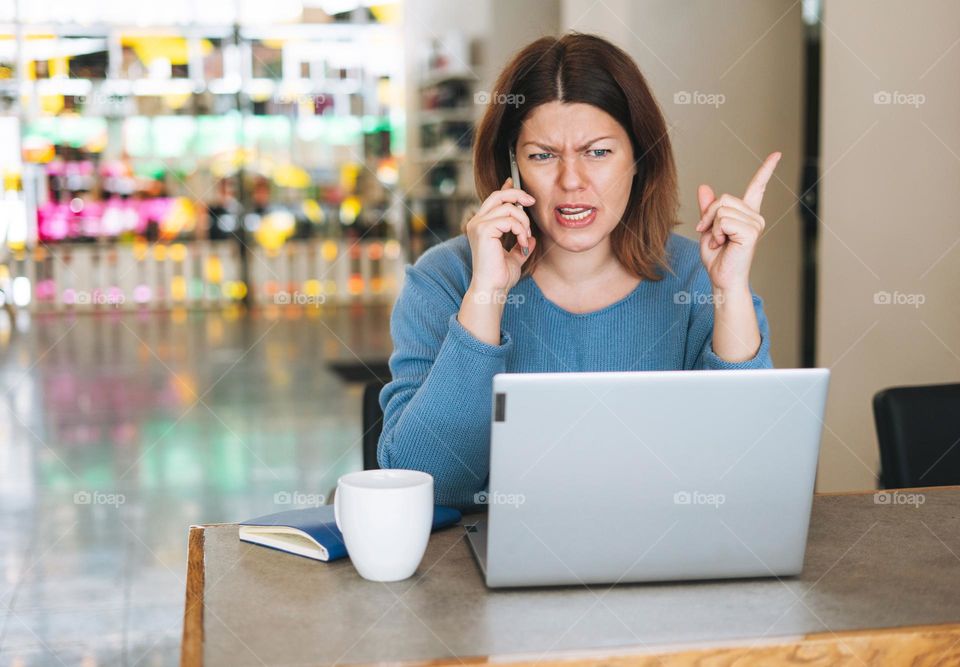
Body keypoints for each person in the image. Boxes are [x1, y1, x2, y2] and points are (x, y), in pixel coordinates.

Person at [378, 33, 779, 510]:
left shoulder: (698, 278)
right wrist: (486, 295)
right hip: (493, 552)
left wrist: (730, 291)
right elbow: (428, 483)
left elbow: (751, 477)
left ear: (639, 158)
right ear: (513, 166)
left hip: (666, 546)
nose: (571, 181)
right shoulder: (444, 279)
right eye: (542, 155)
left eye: (598, 152)